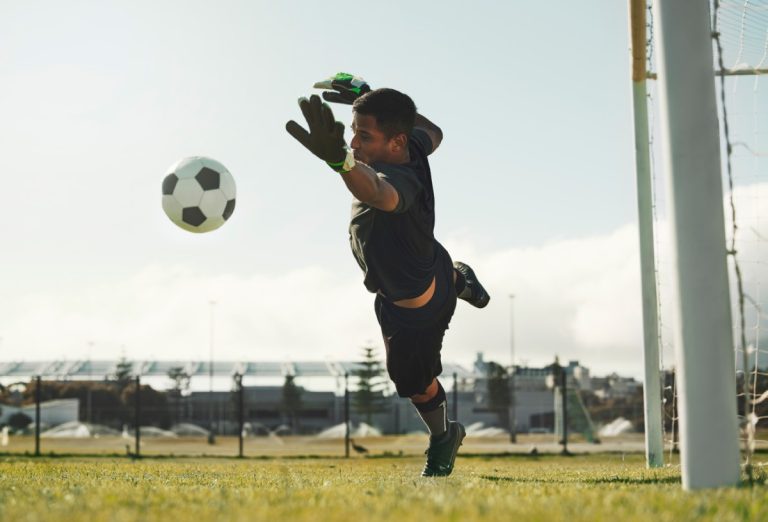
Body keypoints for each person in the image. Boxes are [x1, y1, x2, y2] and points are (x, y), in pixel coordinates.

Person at [285, 73, 490, 477]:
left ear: (395, 142)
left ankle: (445, 435)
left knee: (413, 383)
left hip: (414, 311)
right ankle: (457, 280)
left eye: (364, 136)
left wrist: (340, 162)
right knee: (432, 272)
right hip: (429, 266)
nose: (354, 143)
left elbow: (379, 192)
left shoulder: (399, 178)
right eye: (352, 133)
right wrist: (368, 95)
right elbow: (435, 133)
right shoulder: (412, 144)